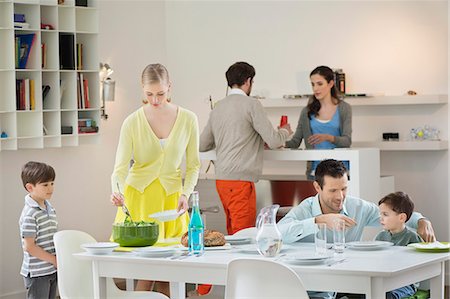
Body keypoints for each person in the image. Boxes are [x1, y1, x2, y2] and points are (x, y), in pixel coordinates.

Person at [278, 159, 435, 299]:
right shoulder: (305, 209)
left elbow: (394, 215)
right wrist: (318, 221)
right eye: (333, 190)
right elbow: (279, 233)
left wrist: (421, 220)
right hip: (313, 285)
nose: (340, 196)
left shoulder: (358, 207)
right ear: (317, 187)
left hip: (349, 281)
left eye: (344, 189)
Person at [110, 63, 200, 292]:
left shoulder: (188, 119)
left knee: (168, 271)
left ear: (170, 87)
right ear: (142, 89)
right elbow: (119, 168)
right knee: (148, 270)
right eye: (149, 94)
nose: (155, 100)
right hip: (139, 200)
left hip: (171, 201)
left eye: (160, 94)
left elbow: (193, 166)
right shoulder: (132, 122)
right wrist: (116, 190)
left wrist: (185, 194)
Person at [199, 61, 293, 235]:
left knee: (232, 233)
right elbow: (273, 141)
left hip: (221, 181)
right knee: (244, 236)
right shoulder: (252, 104)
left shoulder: (218, 107)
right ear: (248, 81)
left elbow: (202, 144)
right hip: (240, 182)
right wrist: (285, 131)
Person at [285, 66, 352, 179]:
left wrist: (328, 137)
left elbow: (347, 141)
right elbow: (295, 142)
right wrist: (280, 138)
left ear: (330, 84)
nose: (315, 88)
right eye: (313, 84)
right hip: (315, 171)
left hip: (340, 171)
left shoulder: (344, 108)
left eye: (319, 84)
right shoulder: (306, 112)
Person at [19, 161, 58, 299]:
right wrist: (54, 260)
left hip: (51, 270)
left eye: (52, 183)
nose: (50, 188)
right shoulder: (30, 214)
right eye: (45, 185)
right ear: (30, 187)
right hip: (37, 273)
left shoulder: (49, 208)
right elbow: (29, 246)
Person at [376, 192, 422, 299]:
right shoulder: (380, 236)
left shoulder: (413, 238)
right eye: (380, 214)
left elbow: (419, 266)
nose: (381, 218)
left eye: (385, 214)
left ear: (401, 218)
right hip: (384, 280)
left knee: (387, 295)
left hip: (406, 284)